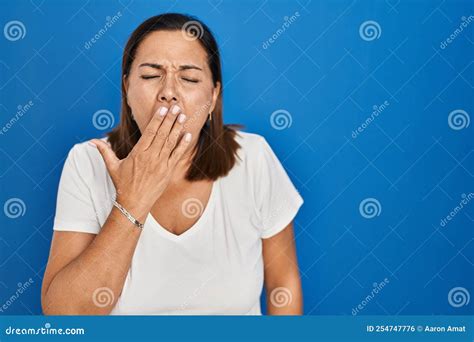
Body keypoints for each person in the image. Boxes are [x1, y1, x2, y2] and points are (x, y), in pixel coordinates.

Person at [41, 13, 304, 315]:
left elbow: (283, 283)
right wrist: (133, 201)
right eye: (151, 76)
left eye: (189, 78)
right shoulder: (89, 161)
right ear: (126, 89)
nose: (169, 92)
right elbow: (64, 314)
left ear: (214, 96)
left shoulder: (254, 157)